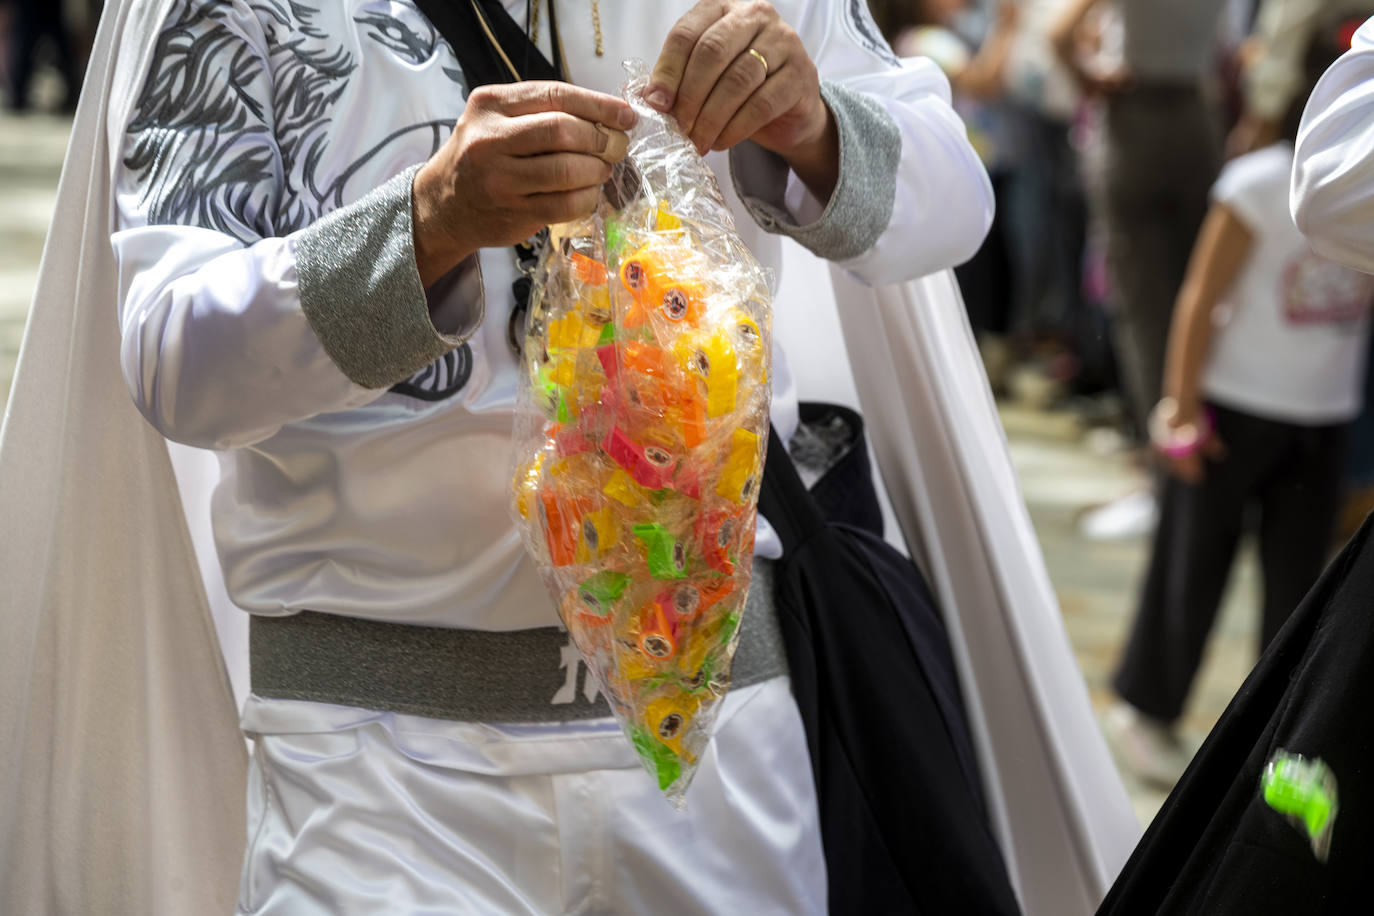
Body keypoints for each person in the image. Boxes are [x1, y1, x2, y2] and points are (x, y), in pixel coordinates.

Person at [1106, 14, 1373, 787]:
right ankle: (1146, 707)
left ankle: (1283, 740)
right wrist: (1179, 405)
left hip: (1320, 418)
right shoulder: (1260, 183)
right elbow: (1198, 299)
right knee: (1190, 573)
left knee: (1299, 595)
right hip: (1232, 411)